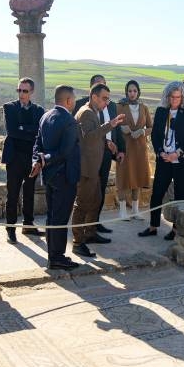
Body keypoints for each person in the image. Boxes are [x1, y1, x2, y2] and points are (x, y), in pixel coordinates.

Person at [72, 83, 126, 258]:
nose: (106, 102)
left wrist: (106, 142)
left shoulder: (92, 111)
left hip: (92, 168)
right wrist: (109, 125)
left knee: (95, 201)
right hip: (86, 168)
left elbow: (94, 136)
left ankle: (90, 233)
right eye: (104, 98)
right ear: (94, 97)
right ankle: (78, 242)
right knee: (82, 205)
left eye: (108, 98)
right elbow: (88, 137)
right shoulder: (86, 113)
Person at [139, 81, 184, 241]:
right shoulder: (161, 111)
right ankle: (153, 226)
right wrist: (160, 152)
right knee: (157, 193)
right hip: (164, 159)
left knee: (181, 195)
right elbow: (155, 135)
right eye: (172, 97)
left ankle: (176, 229)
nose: (174, 100)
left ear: (183, 97)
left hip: (181, 161)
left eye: (178, 97)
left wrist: (178, 153)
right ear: (167, 96)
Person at [31, 85, 81, 270]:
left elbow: (37, 144)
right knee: (60, 218)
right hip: (65, 177)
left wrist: (39, 160)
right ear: (68, 100)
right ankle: (57, 257)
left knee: (52, 217)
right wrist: (44, 159)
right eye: (74, 99)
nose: (74, 103)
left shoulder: (45, 116)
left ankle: (53, 254)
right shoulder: (69, 121)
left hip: (49, 176)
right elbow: (65, 152)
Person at [1, 78, 45, 244]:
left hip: (31, 157)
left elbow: (38, 133)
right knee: (12, 194)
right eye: (19, 90)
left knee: (29, 192)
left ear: (31, 92)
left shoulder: (39, 110)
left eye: (25, 91)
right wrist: (28, 130)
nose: (21, 94)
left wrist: (22, 128)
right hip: (14, 158)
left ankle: (28, 224)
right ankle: (10, 229)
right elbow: (12, 131)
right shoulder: (9, 107)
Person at [115, 80, 152, 220]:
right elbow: (112, 125)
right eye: (130, 91)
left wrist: (142, 131)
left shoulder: (144, 107)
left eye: (134, 91)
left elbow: (150, 127)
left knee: (138, 177)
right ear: (126, 92)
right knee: (124, 177)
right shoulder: (120, 106)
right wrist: (120, 128)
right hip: (125, 148)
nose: (132, 93)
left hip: (140, 148)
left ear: (138, 92)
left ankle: (135, 211)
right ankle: (122, 211)